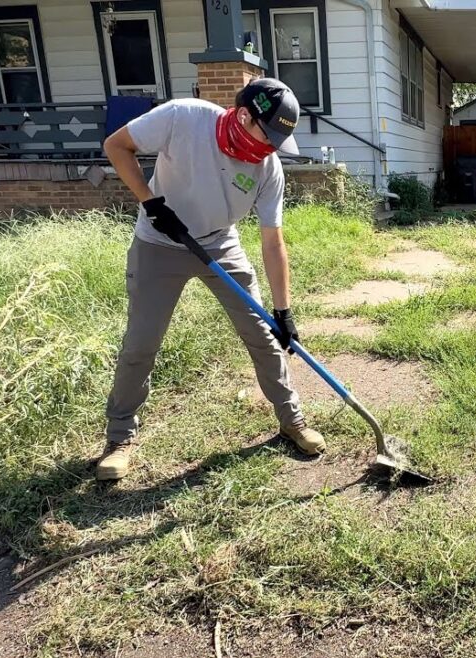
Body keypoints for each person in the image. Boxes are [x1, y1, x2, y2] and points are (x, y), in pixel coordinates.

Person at [96, 78, 324, 481]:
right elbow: (116, 145)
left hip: (220, 245)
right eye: (268, 137)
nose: (270, 149)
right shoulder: (184, 117)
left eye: (278, 142)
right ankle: (119, 438)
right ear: (244, 116)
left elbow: (273, 242)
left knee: (264, 336)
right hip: (159, 243)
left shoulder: (268, 168)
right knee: (141, 343)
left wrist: (283, 312)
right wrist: (150, 202)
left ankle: (292, 421)